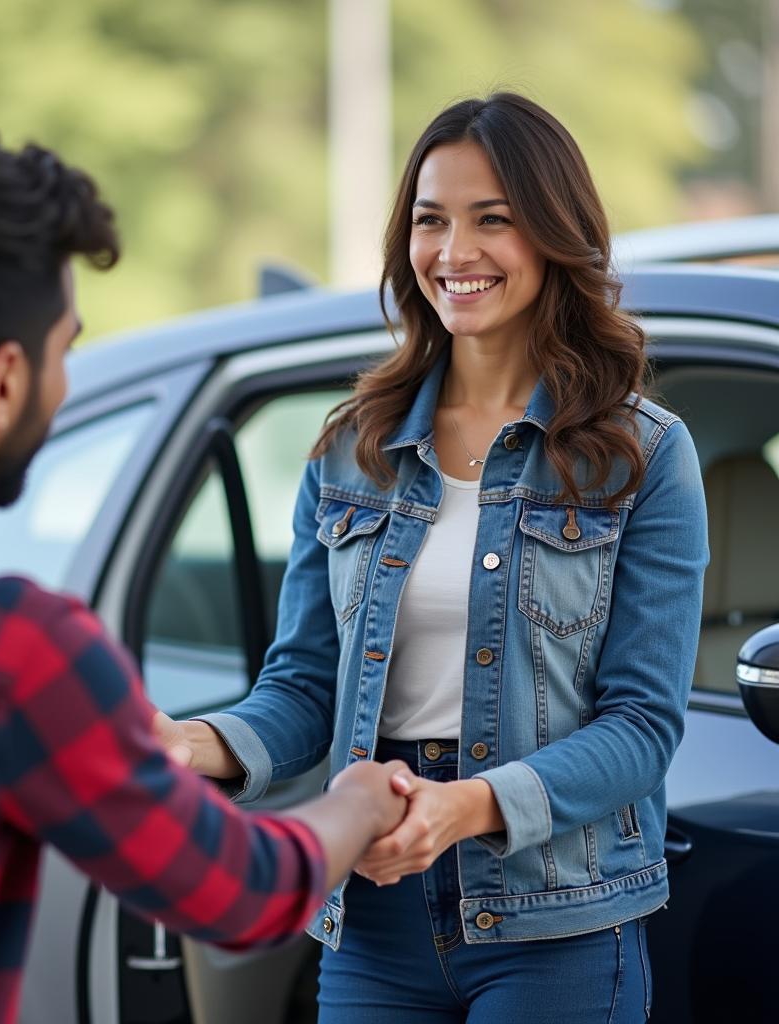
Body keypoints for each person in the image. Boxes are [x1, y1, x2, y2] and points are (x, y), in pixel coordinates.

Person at [0, 130, 412, 1024]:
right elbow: (241, 893)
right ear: (3, 381)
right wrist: (359, 803)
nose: (64, 381)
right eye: (66, 348)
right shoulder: (3, 650)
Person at [156, 92, 710, 1022]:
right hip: (374, 922)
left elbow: (642, 729)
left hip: (557, 925)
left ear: (553, 233)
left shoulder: (642, 457)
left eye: (492, 220)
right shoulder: (351, 450)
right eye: (430, 221)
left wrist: (465, 807)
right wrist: (194, 743)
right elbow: (303, 687)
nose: (454, 252)